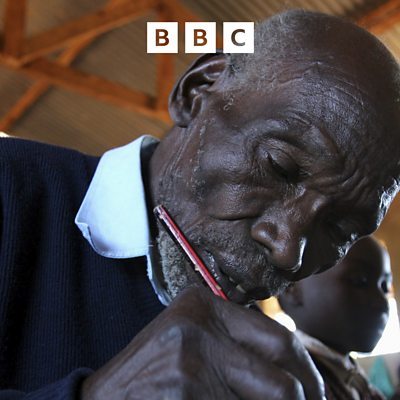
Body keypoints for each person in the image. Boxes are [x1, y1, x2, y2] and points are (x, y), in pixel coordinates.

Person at [1, 9, 400, 399]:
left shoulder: (260, 357)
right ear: (196, 92)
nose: (288, 252)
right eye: (279, 166)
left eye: (339, 230)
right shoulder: (13, 187)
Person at [278, 236, 392, 400]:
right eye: (360, 280)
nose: (381, 302)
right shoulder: (290, 381)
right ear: (291, 288)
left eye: (385, 286)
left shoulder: (350, 375)